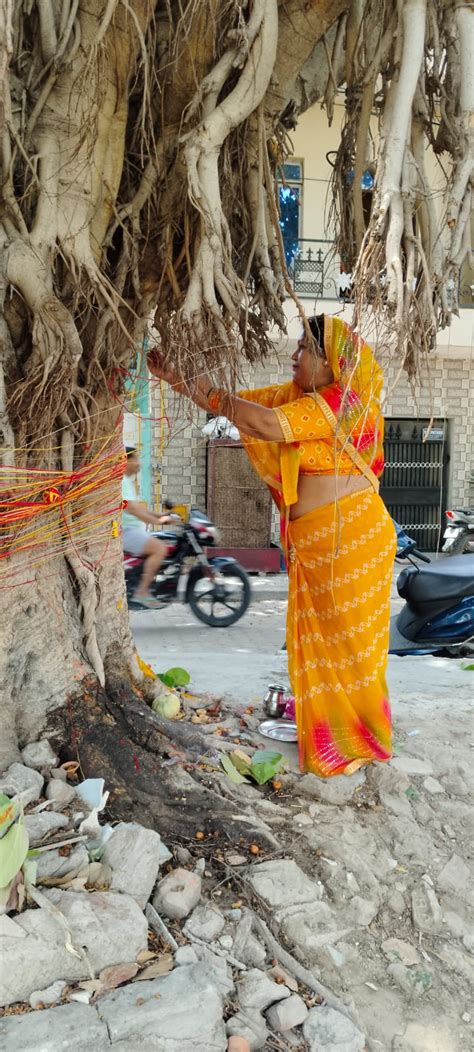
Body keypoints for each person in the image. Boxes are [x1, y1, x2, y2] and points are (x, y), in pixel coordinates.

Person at [148, 315, 396, 776]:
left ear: (331, 361)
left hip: (352, 544)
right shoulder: (299, 399)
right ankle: (327, 732)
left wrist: (210, 393)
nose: (294, 355)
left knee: (351, 651)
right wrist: (175, 376)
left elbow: (262, 424)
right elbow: (234, 408)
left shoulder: (345, 404)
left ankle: (359, 741)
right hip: (317, 548)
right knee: (324, 647)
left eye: (304, 347)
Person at [122, 447, 172, 608]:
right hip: (126, 531)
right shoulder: (122, 482)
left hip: (131, 530)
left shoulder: (127, 482)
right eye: (135, 459)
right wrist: (159, 522)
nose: (139, 463)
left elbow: (139, 508)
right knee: (159, 549)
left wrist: (159, 515)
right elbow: (134, 510)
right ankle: (142, 592)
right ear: (125, 461)